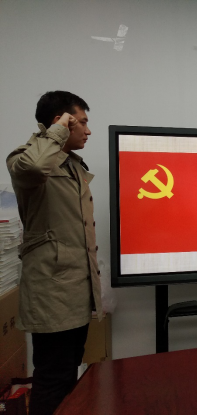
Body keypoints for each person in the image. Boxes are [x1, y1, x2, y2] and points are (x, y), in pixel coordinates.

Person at [6, 91, 104, 415]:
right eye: (82, 122)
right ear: (61, 121)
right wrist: (59, 128)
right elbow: (35, 167)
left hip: (75, 289)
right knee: (52, 378)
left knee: (68, 372)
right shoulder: (26, 158)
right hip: (52, 291)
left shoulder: (72, 164)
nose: (88, 131)